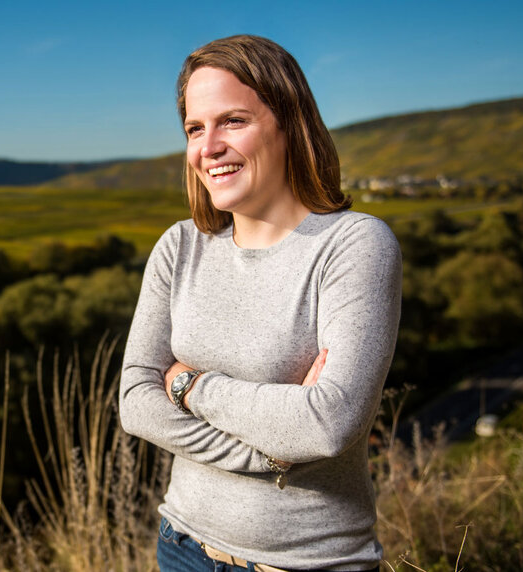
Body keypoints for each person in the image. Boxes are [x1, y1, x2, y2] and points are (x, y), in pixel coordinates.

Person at [118, 35, 401, 572]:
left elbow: (328, 424)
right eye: (195, 129)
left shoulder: (355, 245)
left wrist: (186, 384)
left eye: (233, 121)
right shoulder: (179, 247)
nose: (209, 146)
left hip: (307, 563)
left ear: (289, 123)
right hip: (182, 547)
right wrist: (273, 451)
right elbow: (134, 400)